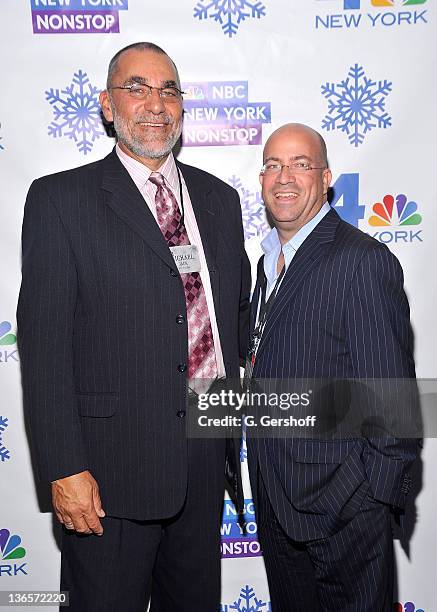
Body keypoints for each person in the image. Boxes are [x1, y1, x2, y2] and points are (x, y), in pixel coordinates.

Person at [17, 42, 251, 612]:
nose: (155, 104)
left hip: (201, 466)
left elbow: (232, 317)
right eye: (137, 88)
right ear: (106, 104)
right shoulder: (60, 199)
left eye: (168, 90)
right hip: (108, 474)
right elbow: (44, 347)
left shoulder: (219, 200)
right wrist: (65, 467)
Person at [246, 123, 419, 611]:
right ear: (261, 179)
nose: (285, 177)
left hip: (344, 510)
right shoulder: (267, 263)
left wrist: (366, 499)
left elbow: (393, 404)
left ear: (325, 179)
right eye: (273, 165)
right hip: (279, 504)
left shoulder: (361, 260)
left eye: (300, 164)